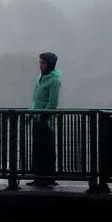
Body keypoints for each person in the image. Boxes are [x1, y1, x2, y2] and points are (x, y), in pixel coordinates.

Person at [28, 52, 62, 187]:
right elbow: (35, 99)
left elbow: (53, 102)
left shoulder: (55, 81)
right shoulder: (40, 78)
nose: (40, 65)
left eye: (43, 63)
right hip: (37, 119)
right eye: (40, 62)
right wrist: (31, 114)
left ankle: (48, 178)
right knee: (37, 149)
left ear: (50, 64)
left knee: (46, 150)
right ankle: (38, 177)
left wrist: (43, 116)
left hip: (45, 121)